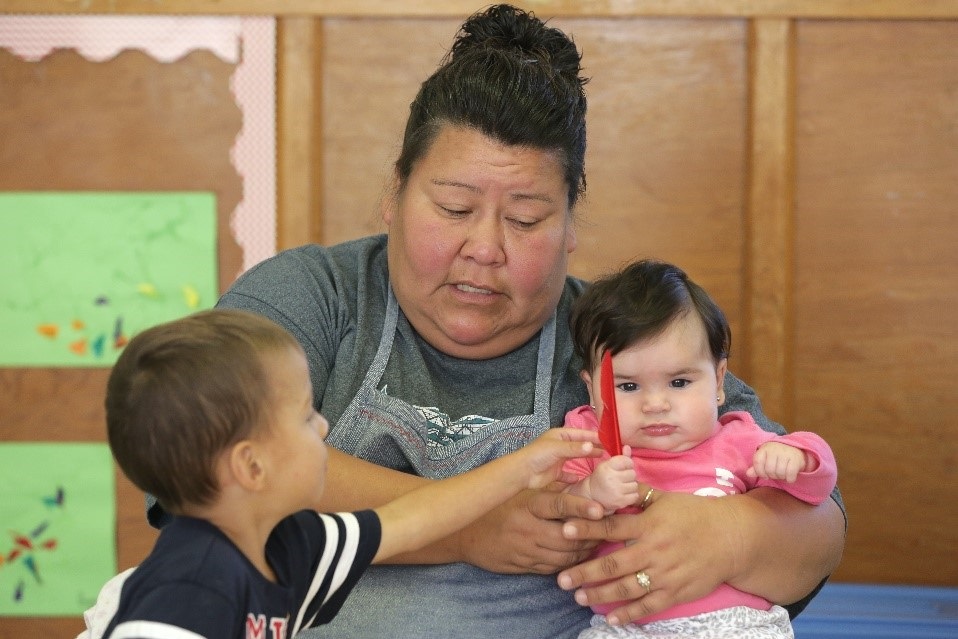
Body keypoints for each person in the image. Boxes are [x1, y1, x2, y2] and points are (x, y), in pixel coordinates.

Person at [143, 5, 844, 637]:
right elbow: (193, 453)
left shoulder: (621, 339)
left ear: (571, 224)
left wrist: (727, 537)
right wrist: (468, 524)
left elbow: (816, 523)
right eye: (453, 208)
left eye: (526, 218)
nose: (484, 247)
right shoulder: (315, 297)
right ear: (394, 194)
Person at [94, 308, 599, 638]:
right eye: (304, 416)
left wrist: (519, 468)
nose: (324, 426)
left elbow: (413, 519)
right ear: (251, 466)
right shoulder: (190, 591)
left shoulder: (289, 544)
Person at [561, 259, 838, 638]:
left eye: (679, 382)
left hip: (735, 623)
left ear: (719, 381)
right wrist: (591, 493)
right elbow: (558, 515)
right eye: (628, 387)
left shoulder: (737, 438)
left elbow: (819, 489)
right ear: (592, 390)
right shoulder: (588, 442)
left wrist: (798, 457)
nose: (655, 404)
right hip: (626, 627)